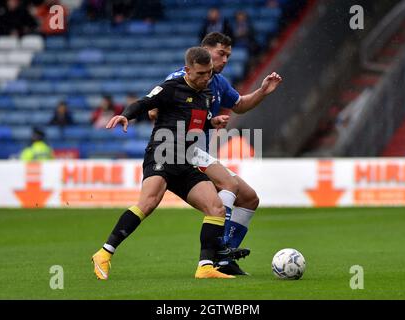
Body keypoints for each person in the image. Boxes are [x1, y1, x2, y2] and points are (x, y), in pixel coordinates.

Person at [91, 47, 249, 281]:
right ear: (187, 70)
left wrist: (211, 121)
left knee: (215, 208)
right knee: (149, 202)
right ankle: (104, 253)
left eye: (209, 73)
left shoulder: (206, 95)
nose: (206, 78)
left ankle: (205, 266)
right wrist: (127, 115)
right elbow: (145, 103)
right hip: (162, 155)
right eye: (201, 74)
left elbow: (196, 122)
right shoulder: (171, 88)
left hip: (186, 160)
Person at [150, 32, 282, 275]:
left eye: (228, 56)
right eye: (221, 54)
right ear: (205, 51)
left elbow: (240, 105)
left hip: (200, 153)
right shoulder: (180, 79)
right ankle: (217, 250)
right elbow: (153, 111)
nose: (225, 60)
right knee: (228, 183)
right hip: (182, 152)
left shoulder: (218, 82)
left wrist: (263, 91)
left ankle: (224, 260)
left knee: (249, 198)